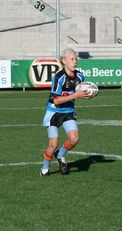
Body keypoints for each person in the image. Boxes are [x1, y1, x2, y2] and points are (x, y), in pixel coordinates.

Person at [40, 48, 90, 176]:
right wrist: (76, 95)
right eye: (72, 59)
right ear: (64, 61)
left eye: (76, 59)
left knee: (74, 139)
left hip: (68, 111)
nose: (75, 62)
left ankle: (60, 155)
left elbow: (79, 91)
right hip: (54, 112)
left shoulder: (80, 76)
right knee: (53, 144)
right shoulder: (58, 77)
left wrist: (87, 94)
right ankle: (45, 168)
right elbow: (56, 101)